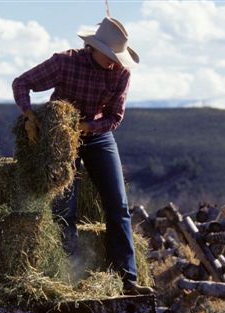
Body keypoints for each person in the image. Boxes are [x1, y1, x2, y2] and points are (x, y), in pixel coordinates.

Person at [12, 16, 153, 295]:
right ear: (94, 48)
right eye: (111, 56)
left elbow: (114, 118)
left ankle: (128, 278)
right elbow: (21, 83)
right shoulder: (65, 62)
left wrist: (87, 127)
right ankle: (69, 277)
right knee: (66, 207)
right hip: (62, 139)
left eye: (118, 57)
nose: (115, 62)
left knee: (118, 204)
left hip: (97, 134)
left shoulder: (121, 73)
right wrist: (29, 116)